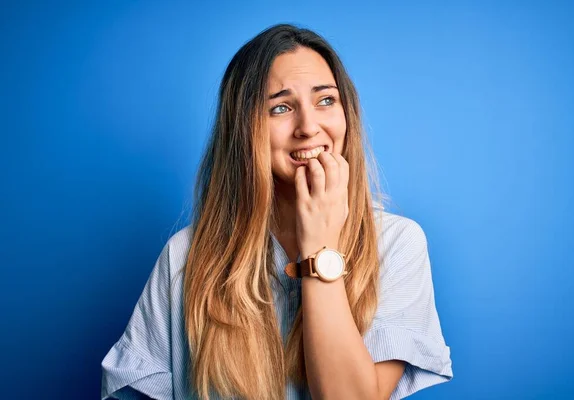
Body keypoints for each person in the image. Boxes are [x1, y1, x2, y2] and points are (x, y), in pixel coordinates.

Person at [101, 23, 453, 400]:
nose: (308, 127)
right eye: (281, 107)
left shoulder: (397, 244)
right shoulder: (185, 257)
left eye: (325, 100)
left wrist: (320, 248)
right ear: (244, 128)